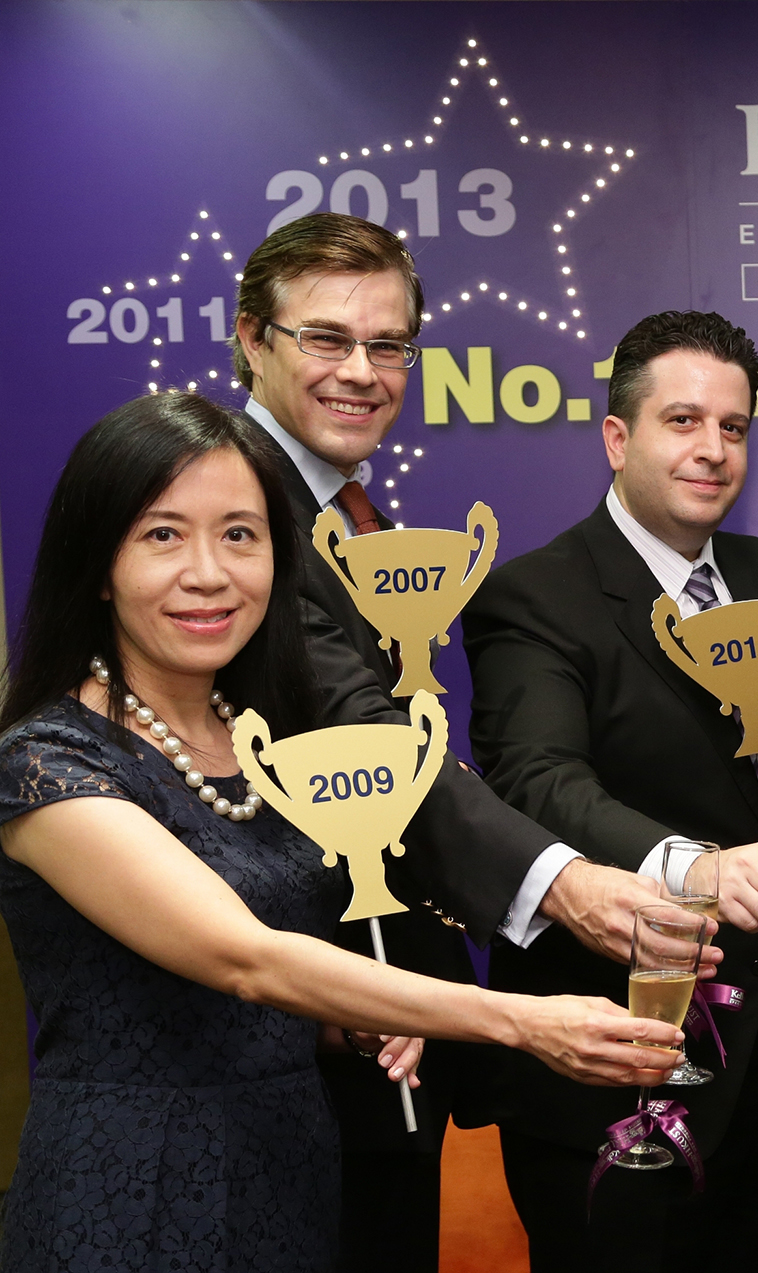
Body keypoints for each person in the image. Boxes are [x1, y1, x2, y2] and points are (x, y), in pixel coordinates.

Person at [0, 393, 686, 1273]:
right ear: (99, 565)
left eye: (240, 535)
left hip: (292, 1171)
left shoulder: (272, 739)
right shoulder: (49, 760)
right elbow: (246, 958)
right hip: (135, 1190)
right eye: (163, 535)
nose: (209, 572)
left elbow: (247, 1000)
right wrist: (522, 1021)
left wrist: (352, 1028)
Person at [230, 211, 667, 1267]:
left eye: (389, 345)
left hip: (387, 1016)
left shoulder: (344, 509)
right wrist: (561, 884)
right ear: (251, 338)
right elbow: (360, 729)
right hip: (305, 1019)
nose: (362, 372)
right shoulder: (238, 502)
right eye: (326, 338)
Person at [461, 310, 758, 1271]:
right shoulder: (534, 594)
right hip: (621, 1065)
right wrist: (698, 868)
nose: (713, 449)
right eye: (683, 421)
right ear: (617, 437)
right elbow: (539, 779)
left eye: (734, 426)